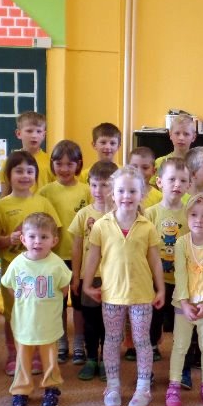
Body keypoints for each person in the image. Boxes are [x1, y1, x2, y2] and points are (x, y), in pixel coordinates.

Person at [82, 166, 165, 406]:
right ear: (112, 193)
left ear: (142, 194)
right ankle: (113, 386)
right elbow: (93, 257)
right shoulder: (101, 225)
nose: (126, 196)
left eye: (132, 191)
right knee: (112, 340)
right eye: (121, 191)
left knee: (141, 341)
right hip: (111, 295)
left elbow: (155, 261)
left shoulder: (147, 226)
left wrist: (160, 289)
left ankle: (143, 387)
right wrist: (86, 284)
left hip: (142, 296)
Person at [0, 151, 62, 375]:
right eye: (19, 171)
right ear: (8, 175)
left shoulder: (43, 202)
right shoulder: (1, 206)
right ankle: (13, 354)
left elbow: (55, 232)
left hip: (41, 271)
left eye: (29, 171)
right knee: (13, 312)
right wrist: (9, 239)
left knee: (38, 311)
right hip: (14, 269)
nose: (24, 176)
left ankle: (36, 355)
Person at [1, 213, 72, 406]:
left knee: (50, 359)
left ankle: (51, 387)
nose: (37, 241)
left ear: (54, 241)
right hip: (24, 324)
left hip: (48, 323)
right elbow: (9, 286)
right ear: (23, 239)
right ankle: (21, 389)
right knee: (23, 359)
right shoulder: (17, 264)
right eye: (32, 236)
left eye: (44, 237)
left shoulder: (56, 264)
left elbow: (64, 289)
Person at [165, 194, 203, 406]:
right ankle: (174, 384)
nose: (198, 220)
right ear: (187, 216)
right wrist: (184, 302)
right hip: (184, 304)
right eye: (193, 215)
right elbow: (180, 274)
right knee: (180, 346)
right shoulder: (181, 243)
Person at [38, 139, 90, 363]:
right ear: (52, 164)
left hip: (81, 258)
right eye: (59, 164)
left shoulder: (87, 190)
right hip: (54, 257)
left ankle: (78, 342)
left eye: (70, 164)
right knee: (57, 302)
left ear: (79, 164)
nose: (64, 169)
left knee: (79, 303)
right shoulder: (45, 192)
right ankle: (61, 341)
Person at [69, 161, 116, 379]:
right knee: (90, 321)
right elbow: (76, 248)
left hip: (112, 278)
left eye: (105, 185)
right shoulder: (83, 214)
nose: (98, 190)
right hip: (88, 278)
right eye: (94, 185)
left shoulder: (119, 214)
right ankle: (91, 358)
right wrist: (76, 277)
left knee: (110, 322)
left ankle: (107, 359)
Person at [143, 157, 190, 371]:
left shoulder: (190, 212)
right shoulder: (150, 213)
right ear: (159, 182)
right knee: (154, 316)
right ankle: (152, 344)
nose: (177, 185)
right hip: (156, 278)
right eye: (172, 179)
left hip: (183, 278)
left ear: (189, 184)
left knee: (180, 319)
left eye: (183, 180)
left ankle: (184, 350)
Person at [0, 111, 54, 196]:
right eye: (29, 131)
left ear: (44, 135)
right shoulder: (10, 161)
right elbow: (4, 194)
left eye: (39, 131)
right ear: (19, 133)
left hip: (42, 204)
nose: (34, 135)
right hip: (18, 204)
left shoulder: (50, 162)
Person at [153, 114, 197, 182]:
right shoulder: (160, 162)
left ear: (193, 137)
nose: (181, 138)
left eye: (186, 134)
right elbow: (153, 187)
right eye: (177, 133)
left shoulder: (198, 163)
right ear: (170, 135)